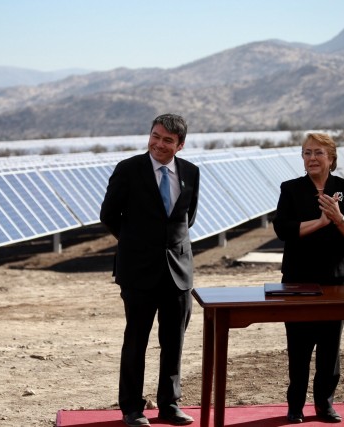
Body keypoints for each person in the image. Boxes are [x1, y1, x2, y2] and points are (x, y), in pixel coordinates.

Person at [99, 113, 200, 427]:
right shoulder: (128, 170)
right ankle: (131, 407)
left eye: (167, 140)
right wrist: (137, 243)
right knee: (136, 340)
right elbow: (108, 215)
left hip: (178, 271)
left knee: (174, 342)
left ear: (179, 145)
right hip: (138, 271)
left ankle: (169, 405)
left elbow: (188, 218)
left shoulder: (191, 172)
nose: (159, 143)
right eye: (155, 136)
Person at [272, 132, 344, 424]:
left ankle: (325, 405)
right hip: (299, 278)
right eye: (306, 153)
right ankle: (295, 405)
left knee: (330, 345)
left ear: (331, 158)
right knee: (298, 345)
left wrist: (338, 218)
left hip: (337, 279)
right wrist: (320, 222)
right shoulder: (290, 189)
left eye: (318, 153)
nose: (311, 158)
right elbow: (283, 230)